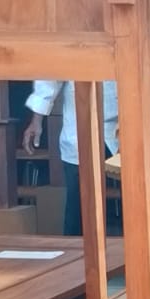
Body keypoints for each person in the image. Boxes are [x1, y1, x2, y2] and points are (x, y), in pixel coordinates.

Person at [22, 80, 120, 236]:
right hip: (78, 127)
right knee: (77, 208)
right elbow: (49, 78)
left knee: (132, 203)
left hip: (124, 127)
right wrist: (37, 120)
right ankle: (76, 249)